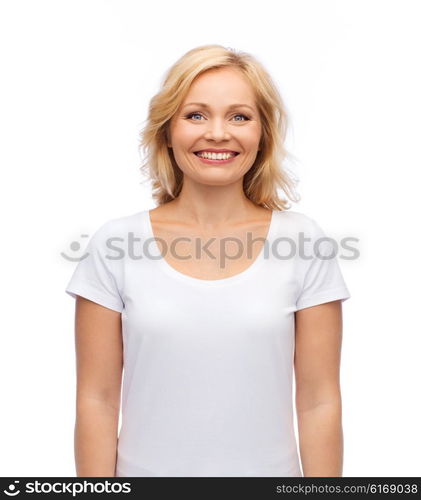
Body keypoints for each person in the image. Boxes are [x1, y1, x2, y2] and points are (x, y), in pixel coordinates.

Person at [65, 44, 351, 477]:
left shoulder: (305, 242)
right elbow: (97, 401)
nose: (218, 133)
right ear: (167, 131)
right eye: (195, 115)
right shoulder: (115, 244)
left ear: (263, 134)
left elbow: (319, 402)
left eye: (240, 116)